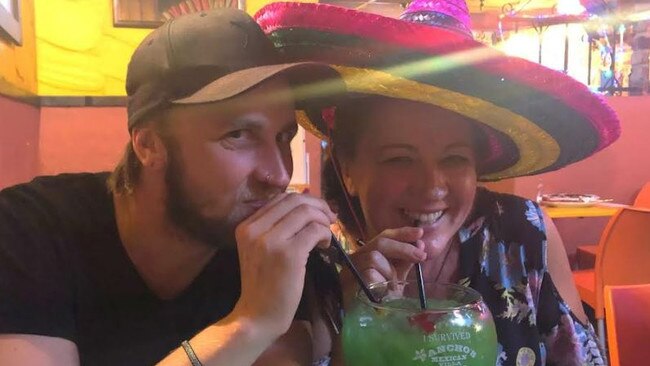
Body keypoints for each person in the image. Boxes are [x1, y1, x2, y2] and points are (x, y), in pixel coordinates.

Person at [255, 1, 620, 365]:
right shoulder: (318, 270)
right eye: (399, 159)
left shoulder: (525, 233)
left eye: (454, 158)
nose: (432, 187)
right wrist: (353, 323)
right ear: (348, 169)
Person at [0, 8, 344, 366]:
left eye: (284, 137)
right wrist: (249, 324)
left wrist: (359, 304)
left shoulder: (270, 250)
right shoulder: (29, 231)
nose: (278, 175)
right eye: (238, 135)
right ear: (148, 145)